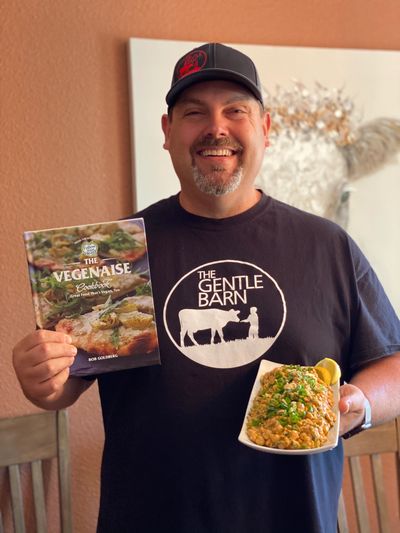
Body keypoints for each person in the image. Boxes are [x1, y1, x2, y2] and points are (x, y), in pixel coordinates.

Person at [13, 43, 400, 533]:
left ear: (265, 128)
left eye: (235, 110)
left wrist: (356, 405)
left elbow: (393, 361)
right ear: (168, 132)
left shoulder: (326, 245)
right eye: (195, 112)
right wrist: (42, 377)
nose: (216, 127)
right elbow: (68, 382)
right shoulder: (118, 254)